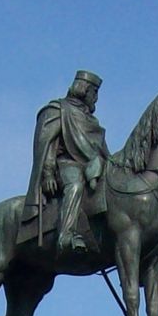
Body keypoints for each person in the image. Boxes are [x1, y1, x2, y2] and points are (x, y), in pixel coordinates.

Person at [26, 70, 108, 255]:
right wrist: (47, 172)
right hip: (65, 165)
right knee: (76, 185)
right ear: (84, 90)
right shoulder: (58, 110)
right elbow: (45, 143)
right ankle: (66, 235)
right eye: (94, 93)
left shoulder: (91, 120)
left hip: (92, 166)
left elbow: (102, 151)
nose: (95, 99)